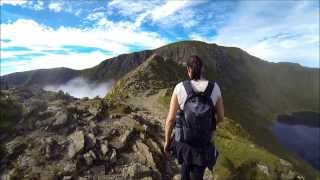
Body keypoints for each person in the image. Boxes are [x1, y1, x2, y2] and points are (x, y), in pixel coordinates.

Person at [164, 55, 224, 180]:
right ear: (203, 69)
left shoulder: (180, 88)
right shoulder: (215, 88)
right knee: (198, 174)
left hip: (184, 144)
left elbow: (170, 120)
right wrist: (208, 126)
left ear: (188, 70)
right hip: (204, 144)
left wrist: (167, 141)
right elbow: (221, 117)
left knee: (185, 169)